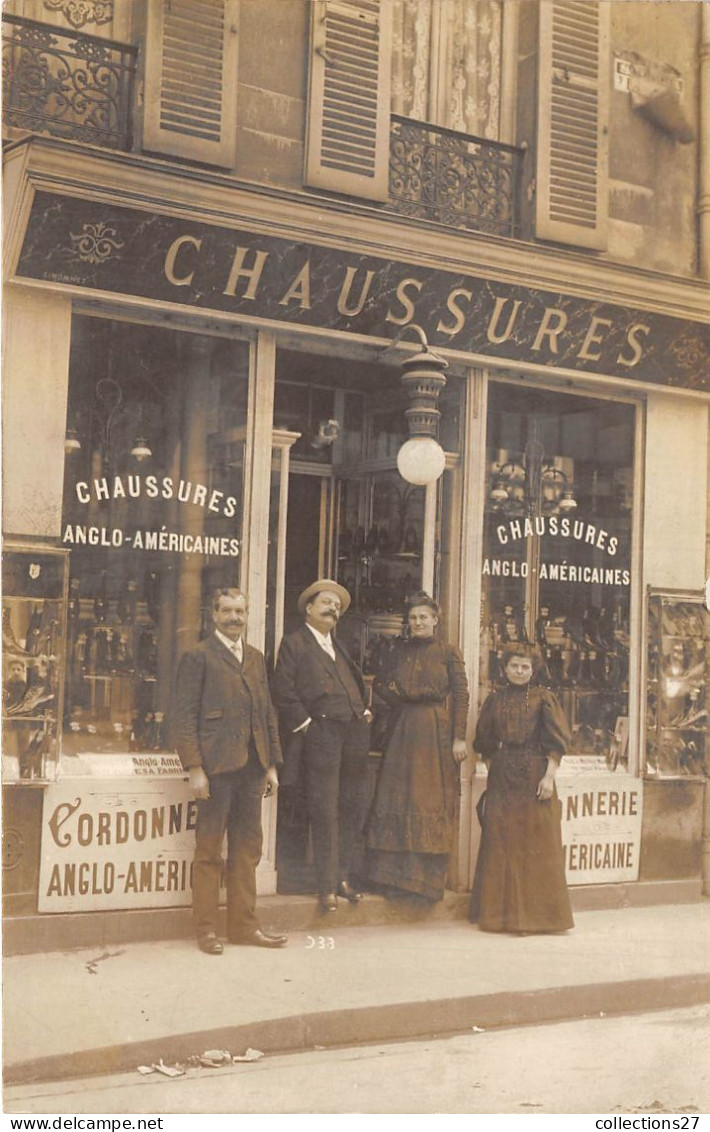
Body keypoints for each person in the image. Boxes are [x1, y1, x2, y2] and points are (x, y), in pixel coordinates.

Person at [173, 588, 288, 954]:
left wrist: (270, 764)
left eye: (240, 611)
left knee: (246, 850)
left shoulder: (256, 658)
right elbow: (184, 716)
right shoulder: (198, 656)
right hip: (216, 768)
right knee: (209, 851)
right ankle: (206, 930)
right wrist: (195, 768)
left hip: (251, 768)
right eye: (227, 611)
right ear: (214, 614)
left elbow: (267, 712)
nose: (235, 618)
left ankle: (243, 927)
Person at [272, 579, 372, 913]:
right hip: (321, 736)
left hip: (353, 735)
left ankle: (342, 878)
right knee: (325, 810)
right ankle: (325, 886)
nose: (333, 609)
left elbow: (354, 683)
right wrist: (307, 726)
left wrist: (364, 710)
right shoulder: (294, 643)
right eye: (327, 603)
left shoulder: (338, 646)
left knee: (351, 807)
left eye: (338, 606)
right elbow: (283, 691)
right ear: (309, 608)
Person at [365, 593, 469, 901]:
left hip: (435, 730)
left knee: (426, 796)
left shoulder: (448, 651)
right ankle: (392, 879)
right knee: (398, 795)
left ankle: (423, 883)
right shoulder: (399, 650)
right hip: (403, 727)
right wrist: (401, 702)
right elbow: (381, 684)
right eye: (413, 618)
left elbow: (461, 695)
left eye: (424, 617)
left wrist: (459, 737)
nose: (418, 622)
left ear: (435, 620)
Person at [469, 642, 574, 934]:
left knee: (535, 844)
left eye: (525, 666)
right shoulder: (495, 699)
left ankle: (537, 920)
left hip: (535, 777)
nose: (519, 671)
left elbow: (557, 743)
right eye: (514, 666)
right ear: (504, 668)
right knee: (502, 842)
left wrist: (549, 777)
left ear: (533, 669)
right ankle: (500, 918)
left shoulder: (544, 699)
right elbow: (484, 741)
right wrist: (495, 771)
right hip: (503, 776)